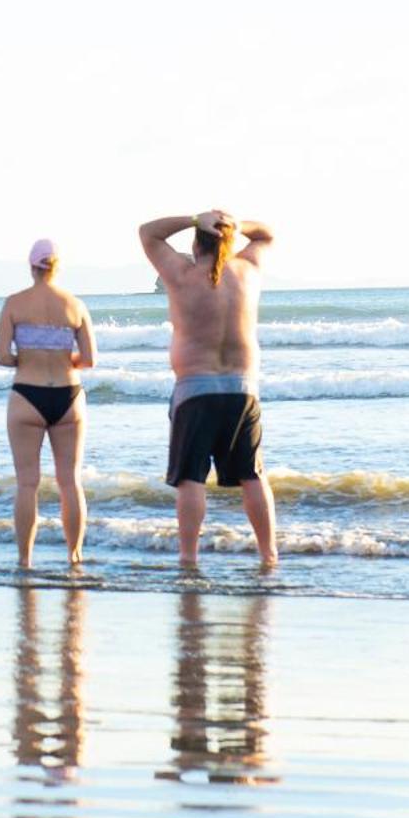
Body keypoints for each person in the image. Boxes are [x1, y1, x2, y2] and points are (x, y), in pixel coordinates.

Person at [139, 209, 278, 567]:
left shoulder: (183, 274)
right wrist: (235, 224)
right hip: (242, 390)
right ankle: (269, 554)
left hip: (195, 391)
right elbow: (265, 234)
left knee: (190, 479)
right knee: (252, 475)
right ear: (228, 242)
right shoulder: (247, 272)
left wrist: (194, 219)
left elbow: (148, 232)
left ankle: (188, 558)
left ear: (196, 243)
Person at [0, 239, 96, 569]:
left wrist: (27, 359)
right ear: (56, 266)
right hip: (69, 396)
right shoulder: (75, 305)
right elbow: (90, 359)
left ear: (31, 267)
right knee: (70, 481)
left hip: (27, 394)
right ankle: (75, 556)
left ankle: (25, 560)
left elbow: (2, 357)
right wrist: (64, 359)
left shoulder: (14, 303)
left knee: (27, 483)